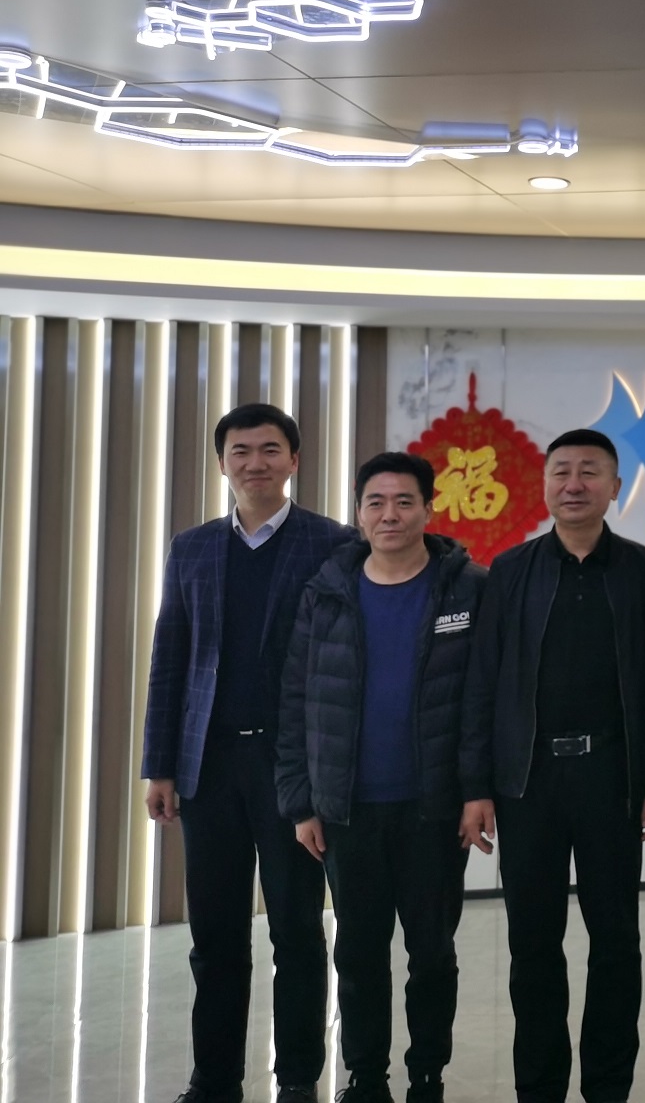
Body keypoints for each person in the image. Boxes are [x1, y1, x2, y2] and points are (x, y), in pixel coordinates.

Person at [141, 402, 358, 1103]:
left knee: (297, 931)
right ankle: (214, 1081)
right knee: (214, 936)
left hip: (292, 769)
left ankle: (297, 1080)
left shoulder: (333, 543)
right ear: (222, 464)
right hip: (208, 768)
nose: (255, 463)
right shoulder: (192, 547)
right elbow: (170, 657)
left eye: (270, 450)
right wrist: (160, 765)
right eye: (241, 451)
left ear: (294, 460)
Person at [458, 429, 645, 1103]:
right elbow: (483, 681)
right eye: (562, 471)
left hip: (613, 778)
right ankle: (540, 1087)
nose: (574, 484)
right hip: (529, 783)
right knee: (533, 943)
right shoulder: (510, 571)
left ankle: (608, 1087)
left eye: (589, 472)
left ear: (615, 487)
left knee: (616, 942)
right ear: (545, 484)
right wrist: (477, 786)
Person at [274, 452, 488, 1103]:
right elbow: (296, 700)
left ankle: (427, 1076)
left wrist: (477, 791)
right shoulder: (326, 591)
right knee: (359, 954)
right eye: (376, 502)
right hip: (348, 809)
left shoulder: (467, 588)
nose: (389, 514)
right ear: (359, 513)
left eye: (403, 501)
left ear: (428, 509)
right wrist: (301, 802)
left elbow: (484, 699)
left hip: (434, 808)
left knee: (432, 954)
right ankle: (366, 1078)